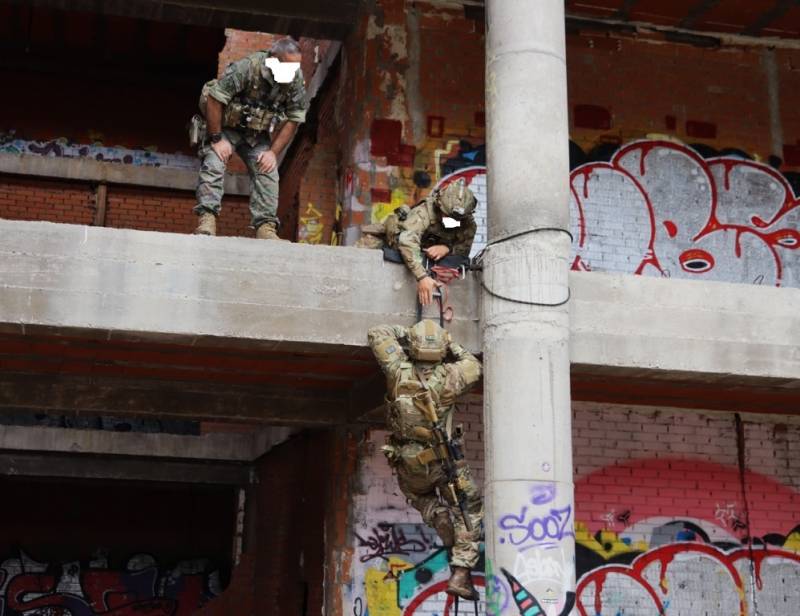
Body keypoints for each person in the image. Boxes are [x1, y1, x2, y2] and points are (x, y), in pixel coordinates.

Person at [367, 319, 483, 600]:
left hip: (408, 461)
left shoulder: (396, 369)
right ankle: (461, 573)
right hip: (443, 460)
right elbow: (474, 365)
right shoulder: (452, 375)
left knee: (419, 496)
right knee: (467, 510)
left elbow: (377, 333)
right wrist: (450, 344)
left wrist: (406, 335)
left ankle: (436, 515)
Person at [192, 37, 308, 239]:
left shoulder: (295, 78)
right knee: (214, 162)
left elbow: (294, 118)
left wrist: (272, 153)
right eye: (287, 67)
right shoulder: (247, 68)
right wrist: (217, 139)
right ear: (273, 59)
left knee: (268, 170)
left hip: (256, 135)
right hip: (226, 128)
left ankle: (265, 227)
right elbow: (215, 98)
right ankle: (207, 219)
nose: (291, 73)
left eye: (295, 67)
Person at [356, 179, 478, 306]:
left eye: (455, 219)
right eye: (446, 215)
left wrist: (447, 248)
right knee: (358, 259)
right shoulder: (424, 212)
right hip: (387, 240)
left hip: (421, 250)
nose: (449, 220)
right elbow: (407, 241)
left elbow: (463, 250)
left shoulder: (468, 224)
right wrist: (422, 277)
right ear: (439, 204)